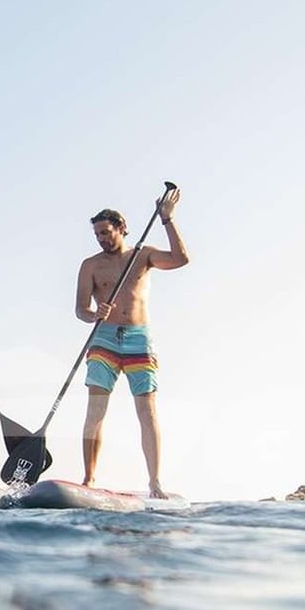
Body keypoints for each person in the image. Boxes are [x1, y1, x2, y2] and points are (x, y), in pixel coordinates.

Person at [73, 189, 188, 497]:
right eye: (97, 235)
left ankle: (154, 483)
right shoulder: (90, 265)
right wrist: (95, 312)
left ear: (122, 228)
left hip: (139, 338)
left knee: (147, 411)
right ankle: (89, 479)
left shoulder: (144, 255)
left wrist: (167, 218)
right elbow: (80, 310)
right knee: (96, 409)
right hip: (104, 339)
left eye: (106, 233)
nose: (102, 239)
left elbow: (181, 259)